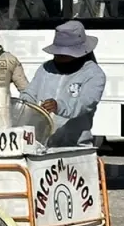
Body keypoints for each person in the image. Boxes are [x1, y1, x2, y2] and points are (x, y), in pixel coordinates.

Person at [20, 20, 106, 148]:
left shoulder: (94, 74)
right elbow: (30, 93)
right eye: (57, 54)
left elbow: (85, 103)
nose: (59, 58)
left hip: (75, 147)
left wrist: (59, 106)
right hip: (41, 144)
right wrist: (24, 105)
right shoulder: (46, 68)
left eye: (65, 55)